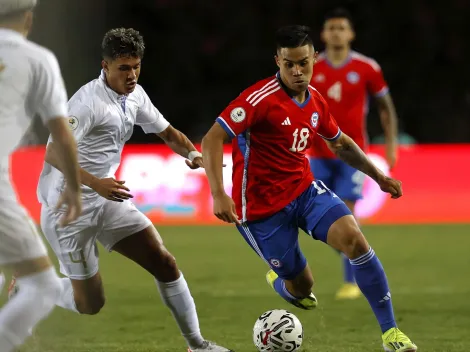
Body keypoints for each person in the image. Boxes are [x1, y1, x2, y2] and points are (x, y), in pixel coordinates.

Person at [202, 25, 416, 352]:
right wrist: (219, 193)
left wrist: (378, 176)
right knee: (303, 288)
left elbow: (341, 143)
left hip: (304, 191)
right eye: (289, 64)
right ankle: (284, 282)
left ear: (314, 58)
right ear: (278, 61)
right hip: (260, 211)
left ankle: (391, 334)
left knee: (355, 240)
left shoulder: (315, 100)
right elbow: (213, 138)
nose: (297, 71)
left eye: (303, 62)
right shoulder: (259, 99)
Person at [28, 27, 230, 352]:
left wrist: (194, 155)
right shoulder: (87, 102)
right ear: (105, 66)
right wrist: (96, 183)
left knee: (164, 262)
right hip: (68, 208)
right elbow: (53, 151)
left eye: (136, 66)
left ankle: (198, 346)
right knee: (90, 304)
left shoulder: (135, 95)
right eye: (124, 68)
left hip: (110, 200)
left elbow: (168, 133)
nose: (132, 74)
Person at [0, 0, 82, 351]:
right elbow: (61, 132)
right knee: (44, 286)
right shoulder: (37, 60)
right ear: (29, 19)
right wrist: (75, 189)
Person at [310, 8, 399, 300]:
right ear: (324, 34)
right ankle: (360, 256)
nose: (336, 32)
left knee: (346, 214)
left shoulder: (366, 67)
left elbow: (385, 107)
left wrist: (391, 143)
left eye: (341, 28)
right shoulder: (312, 67)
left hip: (352, 154)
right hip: (317, 152)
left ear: (350, 33)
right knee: (318, 221)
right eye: (331, 27)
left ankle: (351, 281)